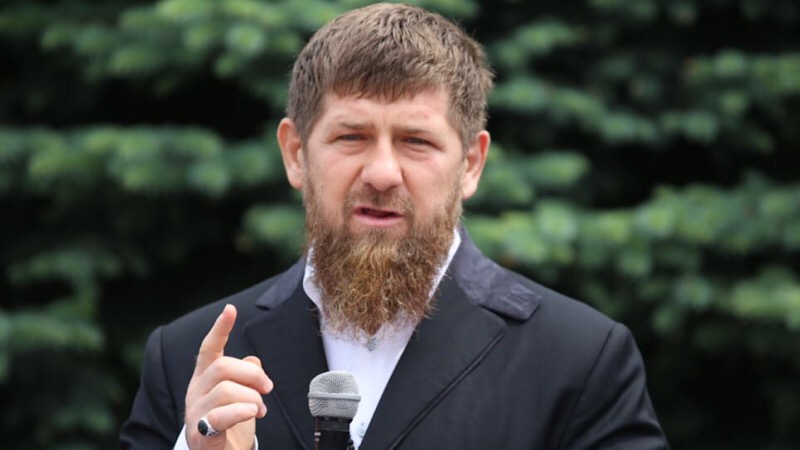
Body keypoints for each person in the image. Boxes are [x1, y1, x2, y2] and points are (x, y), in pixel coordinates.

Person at [120, 3, 669, 449]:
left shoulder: (579, 359)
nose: (382, 173)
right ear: (295, 154)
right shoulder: (189, 360)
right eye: (351, 137)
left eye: (416, 141)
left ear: (471, 164)